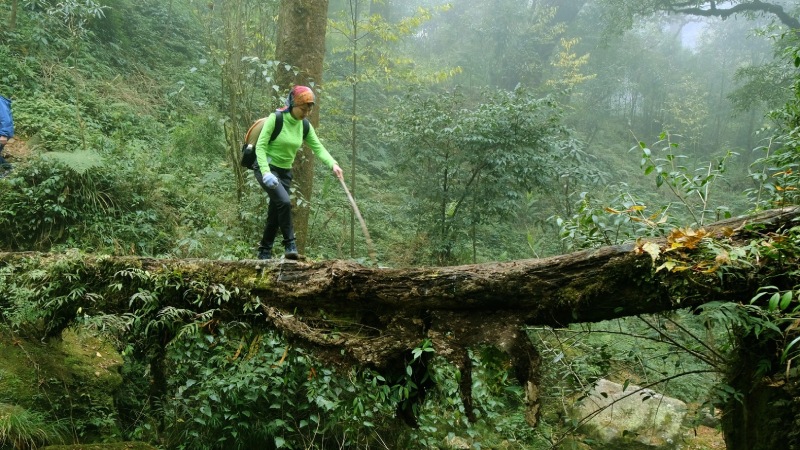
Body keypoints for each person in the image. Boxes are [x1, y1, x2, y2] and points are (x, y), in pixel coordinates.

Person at [254, 85, 343, 260]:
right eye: (303, 109)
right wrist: (265, 172)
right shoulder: (276, 118)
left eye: (309, 109)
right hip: (266, 168)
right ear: (292, 105)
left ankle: (264, 251)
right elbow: (261, 146)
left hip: (285, 172)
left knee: (275, 210)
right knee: (285, 203)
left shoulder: (305, 126)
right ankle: (290, 244)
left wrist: (333, 164)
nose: (306, 113)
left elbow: (318, 148)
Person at [0, 94, 14, 172]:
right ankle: (9, 170)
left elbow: (5, 118)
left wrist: (4, 135)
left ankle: (8, 170)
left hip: (2, 132)